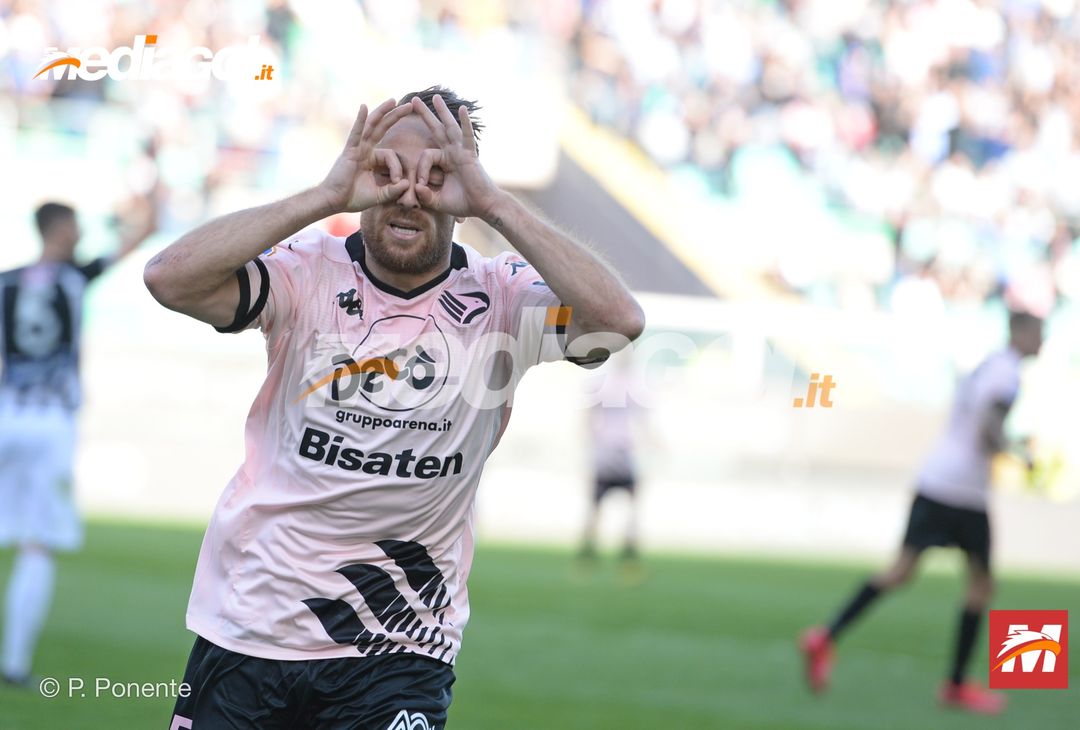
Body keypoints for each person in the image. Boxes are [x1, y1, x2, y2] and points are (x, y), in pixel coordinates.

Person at [144, 87, 645, 728]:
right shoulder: (307, 272)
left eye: (437, 175)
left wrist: (495, 203)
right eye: (388, 170)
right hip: (253, 626)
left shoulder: (503, 297)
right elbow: (169, 277)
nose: (410, 193)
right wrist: (325, 196)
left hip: (400, 644)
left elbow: (619, 321)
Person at [799, 311, 1044, 715]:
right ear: (1020, 332)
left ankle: (825, 636)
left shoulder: (988, 365)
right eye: (1038, 332)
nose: (1042, 340)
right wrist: (1019, 453)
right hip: (963, 490)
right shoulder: (1008, 373)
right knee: (981, 584)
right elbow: (989, 425)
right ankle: (956, 684)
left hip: (936, 479)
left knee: (900, 572)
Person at [0, 199, 156, 686]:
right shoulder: (75, 275)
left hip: (6, 413)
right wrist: (145, 194)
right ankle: (15, 664)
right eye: (75, 225)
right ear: (58, 228)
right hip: (50, 421)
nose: (80, 232)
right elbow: (142, 233)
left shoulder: (6, 281)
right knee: (37, 543)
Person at [578, 349, 644, 579]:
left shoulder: (609, 382)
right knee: (605, 506)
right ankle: (596, 554)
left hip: (615, 451)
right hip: (613, 452)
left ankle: (609, 555)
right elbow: (588, 415)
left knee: (612, 506)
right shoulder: (626, 384)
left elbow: (587, 415)